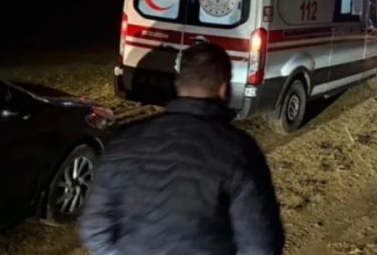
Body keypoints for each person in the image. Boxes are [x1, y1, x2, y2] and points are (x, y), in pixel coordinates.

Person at [79, 43, 285, 255]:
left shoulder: (125, 141)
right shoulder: (240, 151)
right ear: (224, 89)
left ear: (177, 85)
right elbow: (260, 246)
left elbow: (94, 230)